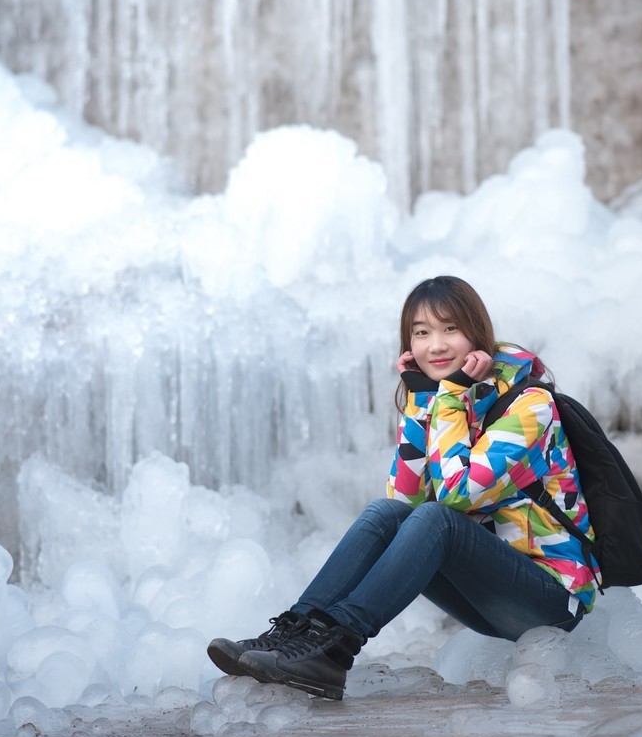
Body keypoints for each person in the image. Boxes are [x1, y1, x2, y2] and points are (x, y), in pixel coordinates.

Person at [206, 275, 597, 700]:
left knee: (438, 520)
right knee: (384, 513)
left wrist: (447, 398)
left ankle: (337, 651)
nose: (437, 345)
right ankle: (295, 633)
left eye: (451, 329)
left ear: (477, 334)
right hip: (496, 593)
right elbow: (405, 501)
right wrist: (421, 401)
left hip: (554, 599)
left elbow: (455, 495)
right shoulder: (445, 397)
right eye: (422, 333)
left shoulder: (529, 406)